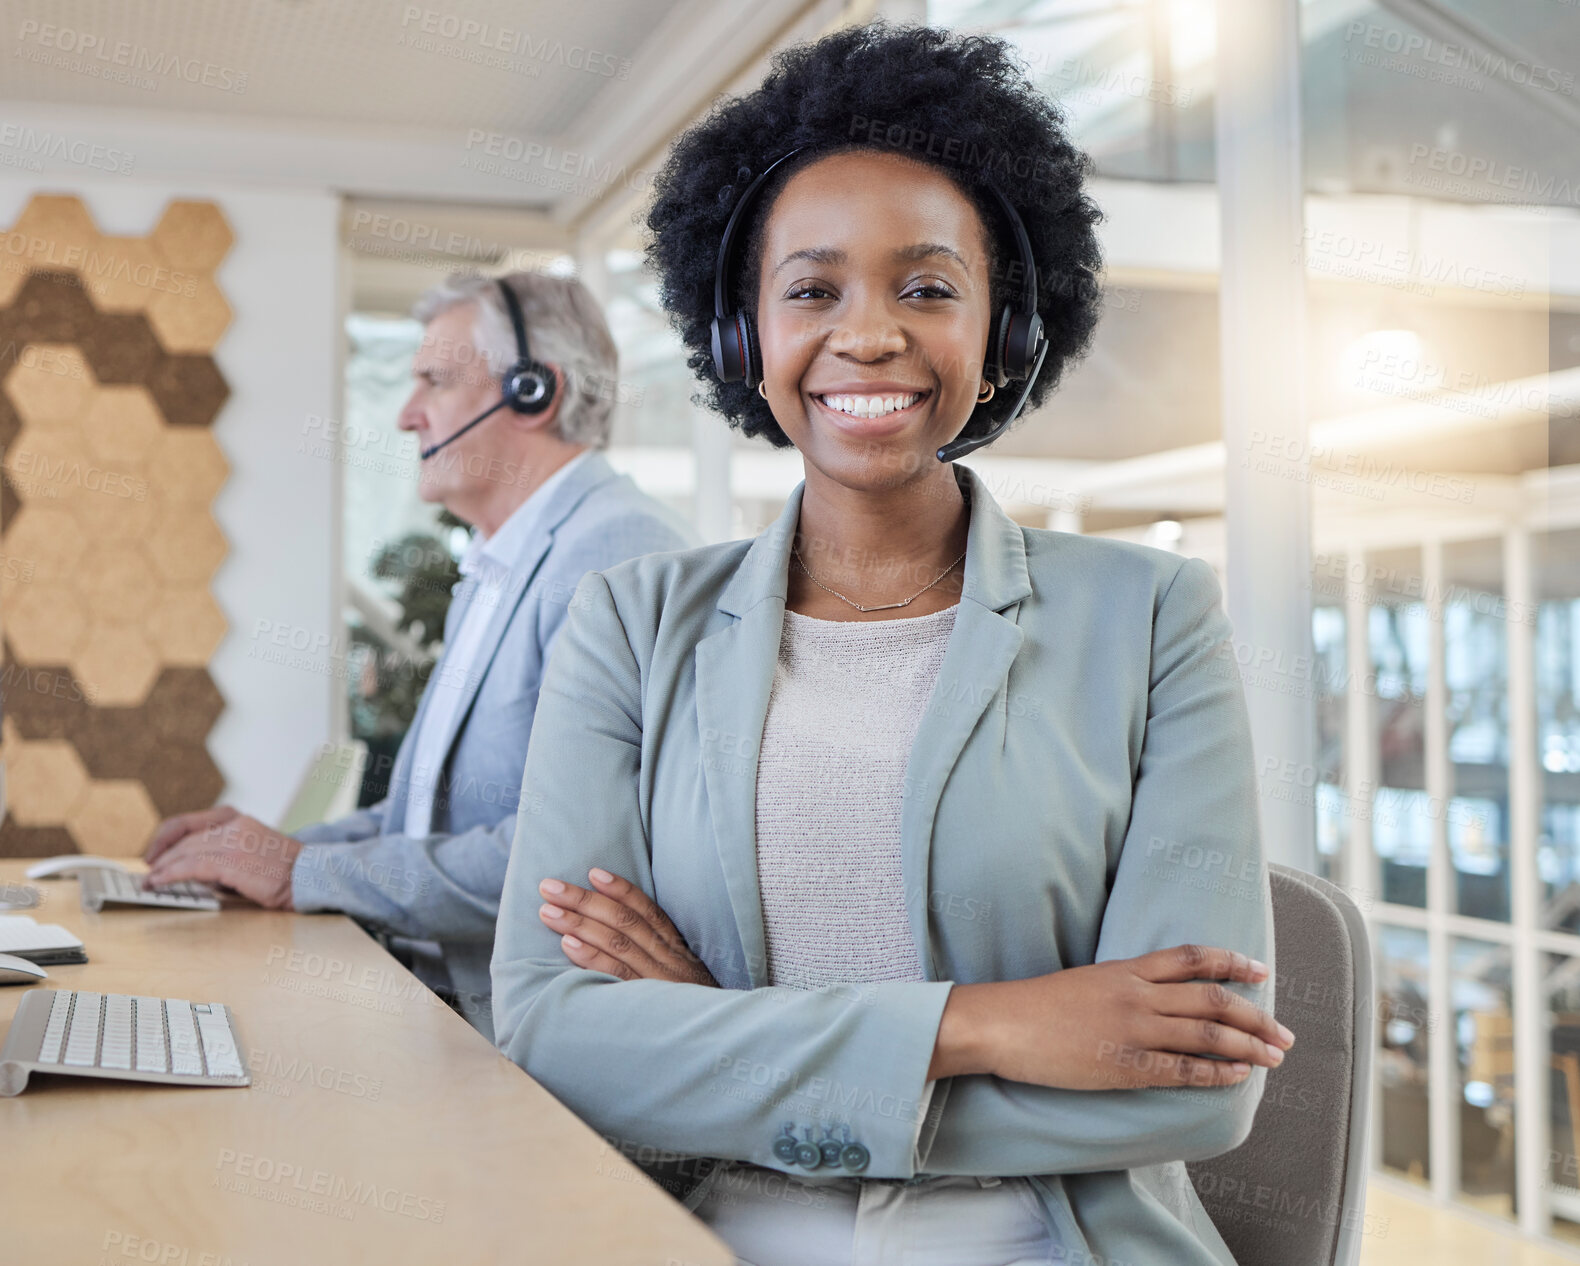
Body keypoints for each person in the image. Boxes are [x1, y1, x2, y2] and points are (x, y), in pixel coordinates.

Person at [491, 22, 1290, 1266]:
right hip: (716, 1233)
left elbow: (1191, 1084)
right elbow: (550, 1033)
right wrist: (981, 1026)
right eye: (811, 290)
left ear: (1004, 333)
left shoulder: (1150, 619)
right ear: (739, 337)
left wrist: (718, 1038)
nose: (867, 336)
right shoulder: (633, 627)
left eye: (926, 287)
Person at [141, 269, 697, 1041]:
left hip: (524, 1037)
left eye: (433, 381)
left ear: (533, 391)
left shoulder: (616, 555)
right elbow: (430, 818)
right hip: (432, 998)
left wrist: (300, 873)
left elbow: (561, 861)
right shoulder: (500, 563)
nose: (407, 416)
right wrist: (272, 850)